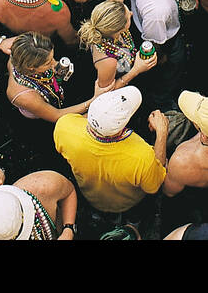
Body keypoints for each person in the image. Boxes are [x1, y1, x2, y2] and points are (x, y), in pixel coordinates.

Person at [53, 86, 169, 214]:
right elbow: (155, 185)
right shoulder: (142, 157)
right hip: (127, 204)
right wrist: (162, 133)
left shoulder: (64, 126)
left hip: (89, 196)